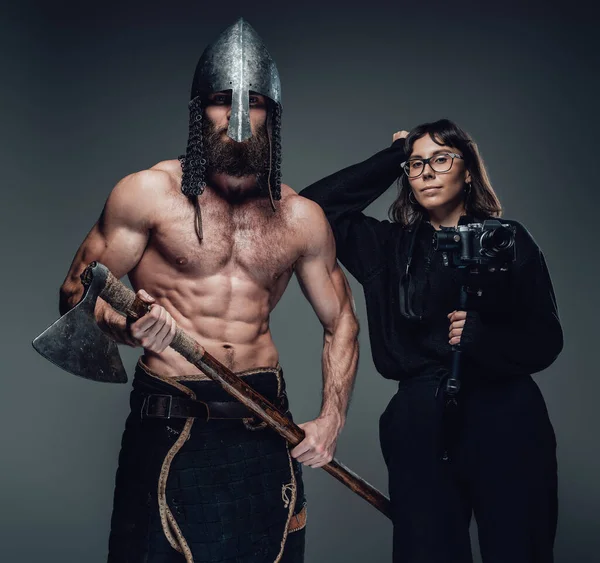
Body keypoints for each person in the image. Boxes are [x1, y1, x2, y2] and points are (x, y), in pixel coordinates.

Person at [58, 18, 359, 563]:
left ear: (275, 115)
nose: (238, 117)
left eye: (256, 102)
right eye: (222, 100)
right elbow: (78, 291)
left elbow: (342, 322)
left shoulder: (302, 219)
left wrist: (332, 418)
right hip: (172, 416)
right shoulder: (147, 194)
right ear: (200, 110)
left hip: (267, 418)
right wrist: (126, 327)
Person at [300, 118, 563, 563]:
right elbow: (312, 208)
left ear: (468, 171)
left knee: (520, 548)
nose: (426, 171)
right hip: (420, 423)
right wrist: (392, 157)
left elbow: (547, 339)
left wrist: (487, 339)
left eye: (441, 159)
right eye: (416, 163)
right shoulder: (386, 247)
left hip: (507, 417)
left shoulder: (508, 240)